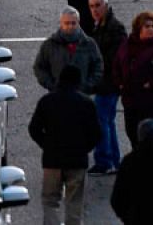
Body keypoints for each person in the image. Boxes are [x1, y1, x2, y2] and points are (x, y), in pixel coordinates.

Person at [31, 65, 103, 225]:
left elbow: (34, 129)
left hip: (52, 160)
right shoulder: (86, 103)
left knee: (50, 201)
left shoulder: (47, 101)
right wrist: (84, 148)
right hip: (77, 160)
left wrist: (46, 144)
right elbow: (96, 133)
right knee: (74, 203)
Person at [115, 11, 153, 145]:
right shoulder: (127, 44)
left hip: (152, 98)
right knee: (131, 131)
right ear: (139, 28)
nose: (151, 29)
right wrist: (119, 82)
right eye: (147, 26)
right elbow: (117, 64)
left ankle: (148, 159)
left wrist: (151, 83)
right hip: (131, 96)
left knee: (147, 132)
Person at [87, 0, 126, 174]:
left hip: (109, 83)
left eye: (98, 5)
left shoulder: (113, 28)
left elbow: (112, 59)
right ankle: (113, 160)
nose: (94, 10)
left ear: (106, 6)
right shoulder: (101, 26)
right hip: (107, 82)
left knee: (101, 120)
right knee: (107, 121)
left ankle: (104, 161)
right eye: (92, 6)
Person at [33, 7, 105, 97]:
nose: (70, 26)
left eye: (73, 23)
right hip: (57, 98)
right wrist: (52, 86)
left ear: (78, 23)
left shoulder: (89, 44)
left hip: (82, 97)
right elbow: (39, 68)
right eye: (67, 23)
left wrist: (87, 86)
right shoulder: (49, 45)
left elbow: (98, 67)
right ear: (61, 24)